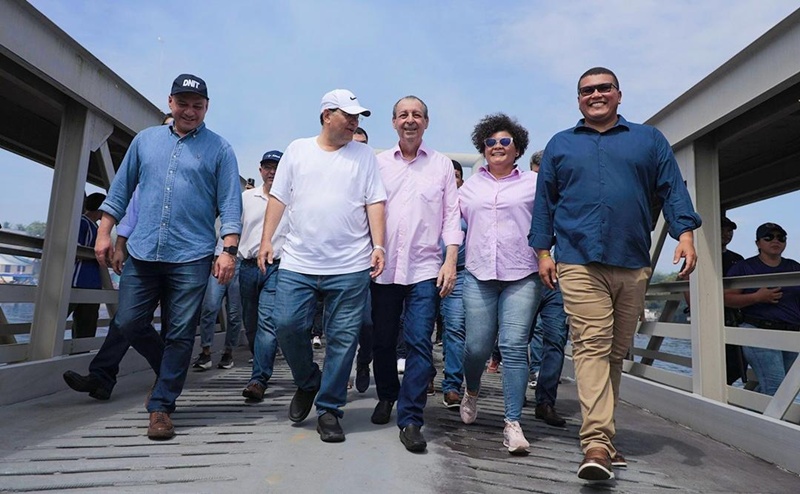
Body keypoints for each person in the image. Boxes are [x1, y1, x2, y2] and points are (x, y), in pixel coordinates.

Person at [530, 66, 702, 481]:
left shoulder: (649, 140)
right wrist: (543, 252)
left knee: (613, 352)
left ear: (619, 94)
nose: (596, 95)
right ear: (578, 100)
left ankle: (603, 437)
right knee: (591, 345)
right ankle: (596, 442)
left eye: (604, 88)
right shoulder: (560, 144)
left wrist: (685, 234)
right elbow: (544, 203)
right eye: (586, 90)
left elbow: (672, 189)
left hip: (632, 260)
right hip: (578, 259)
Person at [95, 74, 242, 440]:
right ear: (170, 102)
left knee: (180, 332)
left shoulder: (220, 149)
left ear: (207, 107)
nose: (190, 111)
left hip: (191, 255)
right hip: (143, 251)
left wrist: (228, 250)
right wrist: (104, 232)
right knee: (128, 320)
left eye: (197, 105)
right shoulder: (145, 141)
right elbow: (120, 189)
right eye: (183, 103)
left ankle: (161, 406)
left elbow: (230, 204)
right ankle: (168, 368)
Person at [258, 88, 385, 443]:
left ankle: (330, 409)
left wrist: (379, 245)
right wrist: (267, 239)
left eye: (358, 117)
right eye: (349, 116)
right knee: (286, 325)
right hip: (298, 261)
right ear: (327, 115)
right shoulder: (298, 150)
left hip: (350, 264)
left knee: (343, 339)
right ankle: (308, 381)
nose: (354, 123)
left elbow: (375, 201)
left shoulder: (364, 156)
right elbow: (279, 198)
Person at [370, 95, 462, 453]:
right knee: (382, 340)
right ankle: (386, 395)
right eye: (403, 115)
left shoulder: (441, 166)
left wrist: (450, 260)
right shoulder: (378, 164)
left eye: (417, 115)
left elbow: (451, 215)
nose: (410, 120)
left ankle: (411, 418)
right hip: (384, 268)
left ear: (426, 122)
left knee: (420, 342)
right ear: (394, 122)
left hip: (425, 268)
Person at [459, 113, 540, 455]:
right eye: (490, 142)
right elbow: (451, 226)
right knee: (477, 347)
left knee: (513, 345)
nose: (497, 146)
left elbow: (551, 220)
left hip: (523, 273)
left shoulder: (535, 184)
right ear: (483, 148)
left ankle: (512, 423)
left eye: (505, 141)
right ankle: (472, 390)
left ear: (518, 149)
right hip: (479, 274)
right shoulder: (469, 187)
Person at [724, 222, 800, 396]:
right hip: (758, 330)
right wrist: (757, 297)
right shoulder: (743, 267)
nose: (775, 240)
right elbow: (726, 298)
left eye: (781, 237)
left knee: (787, 387)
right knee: (776, 387)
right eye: (769, 237)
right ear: (758, 243)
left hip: (792, 332)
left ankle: (746, 410)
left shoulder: (795, 267)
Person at [240, 150, 287, 402]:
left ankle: (258, 379)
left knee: (267, 322)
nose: (272, 172)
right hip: (247, 266)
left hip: (276, 266)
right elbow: (232, 228)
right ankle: (261, 357)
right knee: (251, 324)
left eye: (277, 167)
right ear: (260, 171)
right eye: (267, 167)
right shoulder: (246, 198)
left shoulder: (292, 200)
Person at [191, 238, 243, 370]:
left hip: (241, 261)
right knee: (210, 306)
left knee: (234, 313)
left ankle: (228, 352)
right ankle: (205, 352)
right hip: (220, 259)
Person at [440, 159, 467, 409]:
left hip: (457, 275)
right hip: (423, 273)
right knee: (419, 331)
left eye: (456, 176)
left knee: (455, 328)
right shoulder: (427, 200)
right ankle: (425, 376)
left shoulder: (467, 204)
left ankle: (452, 385)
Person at [67, 192, 106, 338]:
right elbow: (75, 250)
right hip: (79, 281)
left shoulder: (92, 226)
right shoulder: (83, 223)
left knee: (85, 327)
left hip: (88, 282)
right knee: (85, 326)